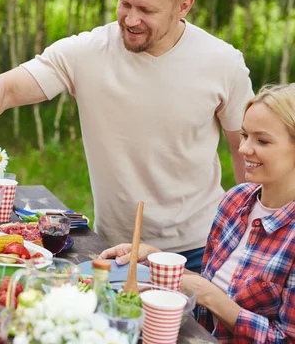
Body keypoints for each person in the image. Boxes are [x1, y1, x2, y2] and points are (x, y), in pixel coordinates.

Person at [0, 0, 253, 273]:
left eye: (147, 9)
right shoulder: (87, 52)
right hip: (113, 246)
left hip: (200, 247)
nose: (130, 18)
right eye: (125, 3)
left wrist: (247, 235)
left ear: (184, 5)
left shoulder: (223, 63)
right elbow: (6, 90)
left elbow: (246, 150)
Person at [100, 84, 295, 343]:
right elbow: (209, 286)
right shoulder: (235, 200)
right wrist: (157, 259)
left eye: (262, 141)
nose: (244, 149)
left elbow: (285, 338)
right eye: (245, 135)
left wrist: (212, 297)